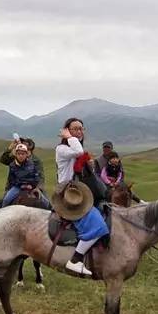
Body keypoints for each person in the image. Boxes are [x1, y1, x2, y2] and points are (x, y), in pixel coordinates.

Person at [54, 118, 109, 277]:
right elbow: (78, 152)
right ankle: (75, 260)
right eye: (75, 129)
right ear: (66, 131)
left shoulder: (73, 146)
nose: (79, 132)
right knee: (99, 225)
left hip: (79, 190)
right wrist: (70, 137)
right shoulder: (62, 148)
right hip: (69, 193)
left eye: (81, 129)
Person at [0, 142, 49, 208]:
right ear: (16, 154)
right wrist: (21, 185)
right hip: (17, 187)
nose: (20, 156)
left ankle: (52, 213)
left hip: (32, 187)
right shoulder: (13, 165)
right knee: (6, 200)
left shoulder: (33, 163)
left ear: (27, 154)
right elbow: (11, 179)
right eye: (19, 154)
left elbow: (37, 177)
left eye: (23, 154)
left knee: (46, 202)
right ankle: (2, 212)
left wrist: (32, 185)